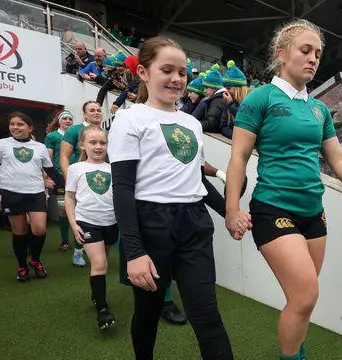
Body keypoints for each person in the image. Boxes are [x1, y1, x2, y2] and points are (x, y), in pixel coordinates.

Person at [224, 19, 342, 360]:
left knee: (302, 299)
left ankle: (295, 352)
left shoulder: (318, 109)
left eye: (318, 53)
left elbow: (339, 160)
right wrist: (232, 209)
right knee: (304, 296)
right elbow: (239, 157)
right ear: (281, 53)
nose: (313, 58)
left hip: (314, 214)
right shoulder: (260, 99)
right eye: (305, 50)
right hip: (273, 208)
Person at [108, 36, 233, 359]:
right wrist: (134, 252)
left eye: (182, 72)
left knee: (207, 318)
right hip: (150, 226)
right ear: (144, 73)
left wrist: (228, 212)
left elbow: (195, 182)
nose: (177, 79)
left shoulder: (191, 123)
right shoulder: (129, 119)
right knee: (147, 316)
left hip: (194, 225)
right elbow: (122, 187)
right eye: (167, 70)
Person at [0, 112, 64, 282]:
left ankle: (35, 259)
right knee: (20, 232)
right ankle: (22, 266)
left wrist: (68, 186)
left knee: (39, 229)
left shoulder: (40, 147)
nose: (15, 127)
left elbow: (50, 171)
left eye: (20, 124)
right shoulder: (2, 144)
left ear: (30, 128)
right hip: (12, 192)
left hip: (35, 192)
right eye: (12, 124)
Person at [65, 126, 117, 330]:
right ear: (83, 145)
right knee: (100, 265)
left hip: (111, 223)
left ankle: (96, 293)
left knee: (101, 265)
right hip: (87, 222)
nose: (98, 146)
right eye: (93, 142)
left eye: (102, 142)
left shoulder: (113, 169)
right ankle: (102, 310)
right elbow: (69, 198)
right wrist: (73, 223)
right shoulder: (76, 169)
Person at [60, 101, 104, 267]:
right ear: (84, 114)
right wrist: (69, 180)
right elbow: (64, 156)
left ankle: (97, 247)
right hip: (80, 180)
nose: (96, 112)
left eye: (99, 110)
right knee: (81, 216)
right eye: (92, 110)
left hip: (100, 179)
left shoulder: (104, 131)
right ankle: (78, 252)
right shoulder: (73, 130)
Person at [45, 110, 74, 251]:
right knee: (64, 210)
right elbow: (48, 157)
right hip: (60, 176)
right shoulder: (52, 136)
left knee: (80, 208)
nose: (68, 121)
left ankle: (82, 241)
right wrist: (47, 175)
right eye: (65, 119)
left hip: (77, 175)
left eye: (70, 119)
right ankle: (64, 241)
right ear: (59, 121)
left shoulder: (76, 134)